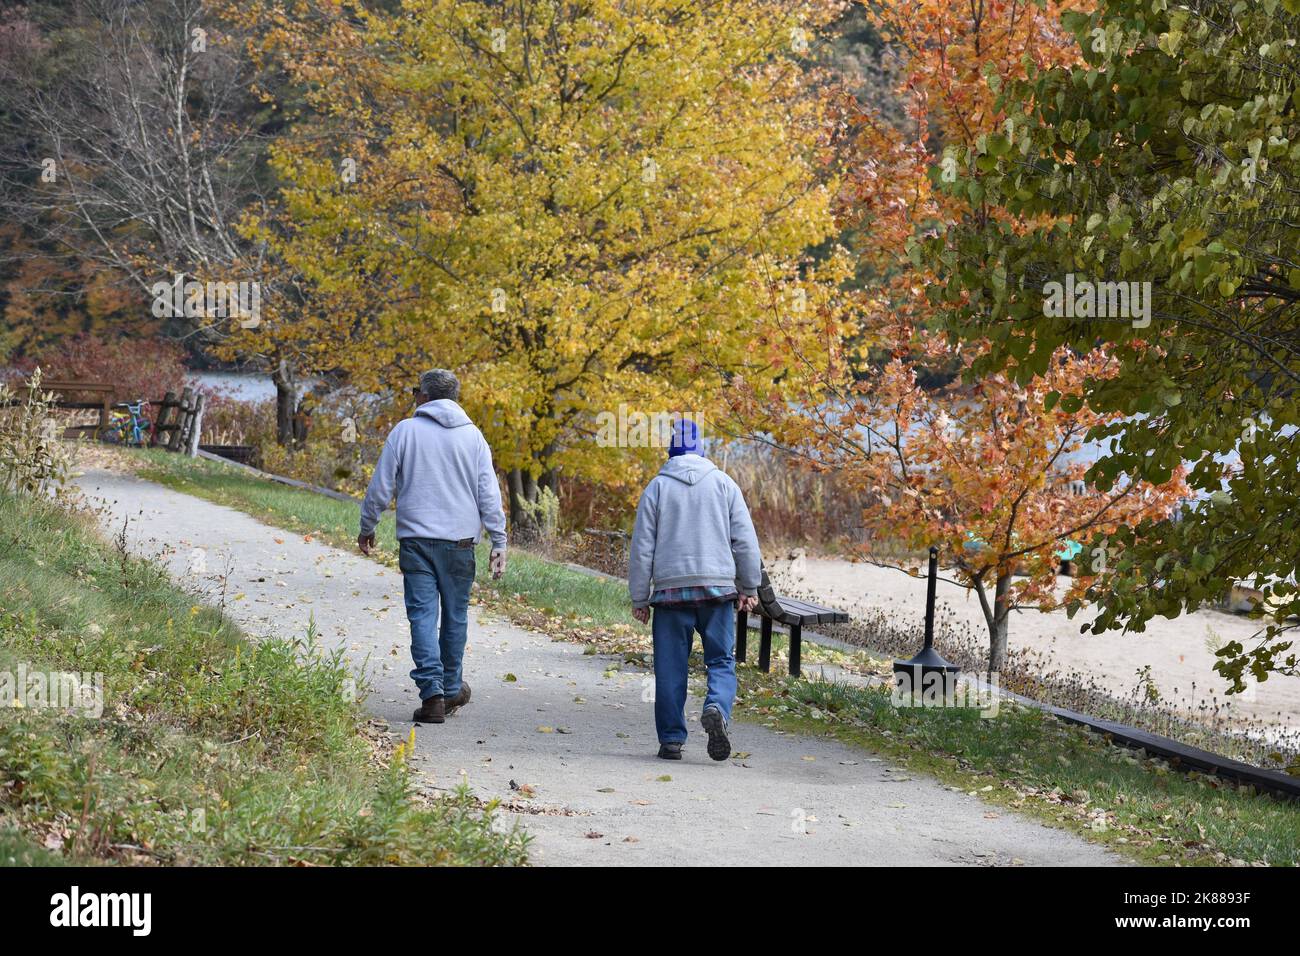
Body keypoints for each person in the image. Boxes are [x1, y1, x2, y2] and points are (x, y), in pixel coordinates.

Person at [358, 369, 507, 724]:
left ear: (424, 396)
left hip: (416, 542)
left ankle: (433, 695)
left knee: (422, 617)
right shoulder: (474, 438)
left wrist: (368, 527)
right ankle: (452, 685)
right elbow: (489, 494)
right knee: (455, 617)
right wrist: (498, 540)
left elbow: (380, 487)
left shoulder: (405, 432)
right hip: (459, 545)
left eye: (414, 392)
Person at [628, 419, 762, 761]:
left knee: (671, 667)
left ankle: (672, 740)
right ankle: (716, 706)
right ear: (701, 448)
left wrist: (640, 597)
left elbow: (642, 548)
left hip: (671, 594)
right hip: (717, 590)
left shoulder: (656, 488)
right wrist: (749, 586)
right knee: (721, 659)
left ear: (670, 449)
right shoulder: (723, 484)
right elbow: (745, 541)